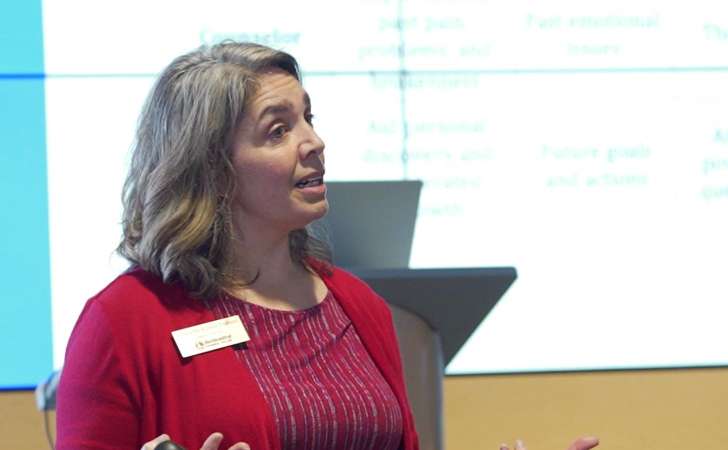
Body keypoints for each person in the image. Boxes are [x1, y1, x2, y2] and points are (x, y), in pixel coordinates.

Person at [55, 41, 600, 450]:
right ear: (211, 170)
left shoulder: (356, 304)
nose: (314, 143)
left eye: (308, 119)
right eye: (278, 130)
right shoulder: (125, 323)